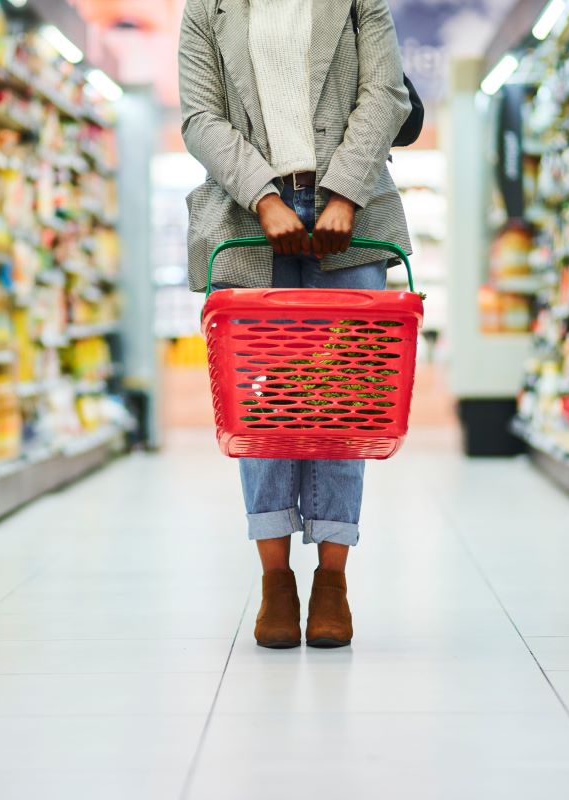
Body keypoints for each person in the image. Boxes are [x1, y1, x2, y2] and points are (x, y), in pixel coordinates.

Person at [179, 0, 412, 649]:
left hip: (353, 216)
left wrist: (343, 192)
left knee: (345, 405)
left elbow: (385, 93)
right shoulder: (208, 8)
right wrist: (263, 195)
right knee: (264, 408)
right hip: (247, 219)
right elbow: (201, 117)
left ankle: (332, 579)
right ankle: (276, 580)